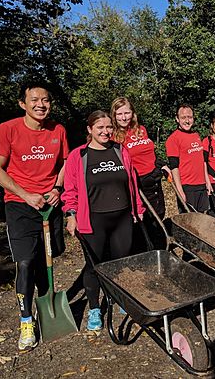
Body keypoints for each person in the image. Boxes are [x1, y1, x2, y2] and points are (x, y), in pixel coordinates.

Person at [0, 80, 69, 350]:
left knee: (48, 260)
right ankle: (26, 320)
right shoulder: (7, 129)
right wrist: (25, 194)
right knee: (25, 262)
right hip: (20, 206)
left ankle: (47, 310)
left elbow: (65, 163)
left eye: (45, 100)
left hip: (49, 205)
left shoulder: (58, 130)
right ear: (23, 104)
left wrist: (58, 188)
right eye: (34, 100)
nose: (40, 105)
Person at [62, 110, 144, 331]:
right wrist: (71, 215)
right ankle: (95, 308)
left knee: (121, 261)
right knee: (93, 266)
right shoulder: (78, 156)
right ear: (89, 130)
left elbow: (132, 182)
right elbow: (70, 190)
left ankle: (120, 298)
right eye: (100, 127)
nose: (106, 131)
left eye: (108, 127)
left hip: (123, 217)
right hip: (93, 220)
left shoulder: (120, 150)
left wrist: (138, 209)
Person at [110, 97, 169, 247]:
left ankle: (159, 248)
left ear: (133, 113)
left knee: (159, 215)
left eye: (127, 113)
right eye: (119, 114)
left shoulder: (140, 130)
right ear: (114, 116)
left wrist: (160, 164)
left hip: (154, 180)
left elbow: (149, 152)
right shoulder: (114, 137)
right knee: (144, 220)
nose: (124, 117)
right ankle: (146, 250)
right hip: (138, 184)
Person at [166, 104, 211, 212]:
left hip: (201, 185)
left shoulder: (196, 135)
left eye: (189, 117)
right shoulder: (173, 139)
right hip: (187, 187)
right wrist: (180, 190)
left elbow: (201, 161)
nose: (187, 121)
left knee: (202, 217)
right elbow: (174, 167)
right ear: (177, 119)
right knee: (188, 221)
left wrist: (207, 182)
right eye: (183, 117)